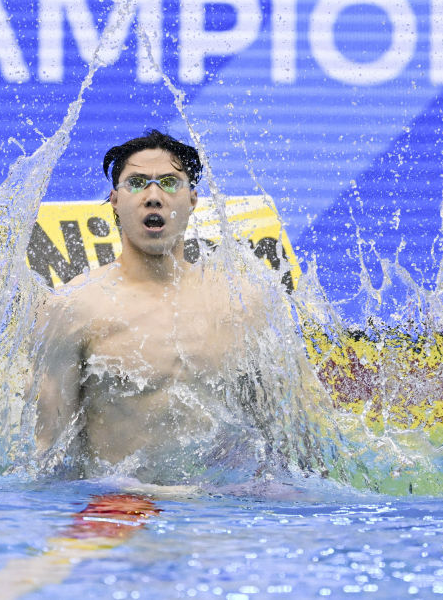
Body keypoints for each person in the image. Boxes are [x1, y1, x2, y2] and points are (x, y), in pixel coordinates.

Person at [30, 129, 272, 484]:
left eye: (170, 183)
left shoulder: (241, 304)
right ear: (115, 200)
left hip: (221, 503)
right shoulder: (72, 308)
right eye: (137, 183)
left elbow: (286, 438)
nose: (154, 196)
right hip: (123, 503)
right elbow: (47, 454)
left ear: (192, 199)